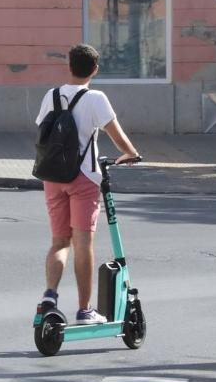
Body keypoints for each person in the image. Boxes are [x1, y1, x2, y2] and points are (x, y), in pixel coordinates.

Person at [35, 44, 139, 325]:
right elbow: (116, 136)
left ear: (69, 66)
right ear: (95, 69)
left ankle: (49, 296)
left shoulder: (52, 95)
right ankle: (84, 310)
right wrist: (130, 153)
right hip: (83, 178)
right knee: (83, 244)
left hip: (53, 177)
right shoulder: (96, 98)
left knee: (59, 242)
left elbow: (42, 130)